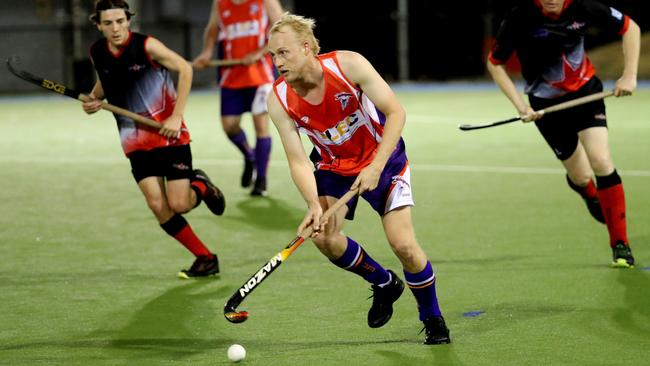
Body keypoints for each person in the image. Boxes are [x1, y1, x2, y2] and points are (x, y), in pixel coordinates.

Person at [266, 13, 451, 345]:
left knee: (404, 246)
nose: (277, 62)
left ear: (306, 47)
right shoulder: (278, 99)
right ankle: (383, 283)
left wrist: (377, 166)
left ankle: (432, 317)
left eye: (284, 53)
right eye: (273, 55)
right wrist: (312, 204)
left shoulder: (348, 66)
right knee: (324, 237)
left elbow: (396, 113)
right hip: (333, 167)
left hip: (385, 161)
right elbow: (297, 159)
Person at [487, 0, 640, 268]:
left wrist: (629, 76)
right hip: (545, 106)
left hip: (586, 94)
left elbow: (630, 28)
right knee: (580, 175)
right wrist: (521, 106)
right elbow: (495, 63)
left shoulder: (583, 8)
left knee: (601, 161)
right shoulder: (520, 16)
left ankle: (620, 244)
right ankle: (588, 191)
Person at [83, 0, 226, 278]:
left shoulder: (146, 45)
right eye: (109, 23)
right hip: (134, 142)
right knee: (157, 205)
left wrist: (176, 116)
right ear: (98, 25)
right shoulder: (97, 51)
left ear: (128, 20)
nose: (116, 28)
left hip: (169, 137)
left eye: (121, 21)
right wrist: (94, 98)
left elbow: (185, 68)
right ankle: (205, 258)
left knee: (180, 204)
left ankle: (202, 186)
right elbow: (107, 79)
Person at [193, 0, 284, 196]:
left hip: (260, 75)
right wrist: (207, 53)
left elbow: (282, 29)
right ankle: (249, 156)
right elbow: (212, 30)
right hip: (231, 74)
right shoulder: (220, 3)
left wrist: (260, 52)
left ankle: (261, 180)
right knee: (229, 125)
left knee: (261, 126)